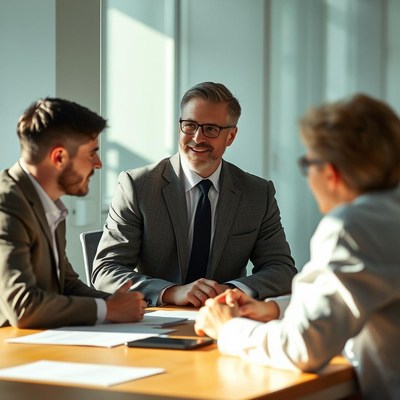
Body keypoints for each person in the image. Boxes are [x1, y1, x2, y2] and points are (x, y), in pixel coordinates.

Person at [194, 93, 400, 400]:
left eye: (308, 163)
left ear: (331, 172)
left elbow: (304, 348)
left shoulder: (352, 226)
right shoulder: (387, 214)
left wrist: (227, 330)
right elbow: (357, 293)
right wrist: (274, 309)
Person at [92, 82, 296, 307]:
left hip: (227, 316)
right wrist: (171, 292)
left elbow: (282, 270)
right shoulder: (137, 186)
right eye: (190, 125)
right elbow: (106, 272)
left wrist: (231, 291)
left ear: (231, 136)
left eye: (211, 129)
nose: (198, 138)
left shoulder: (257, 193)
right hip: (158, 319)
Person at [0, 97, 147, 329]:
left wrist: (118, 302)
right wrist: (109, 310)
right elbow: (22, 306)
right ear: (59, 157)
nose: (98, 164)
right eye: (91, 153)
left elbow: (67, 285)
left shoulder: (50, 205)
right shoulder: (6, 204)